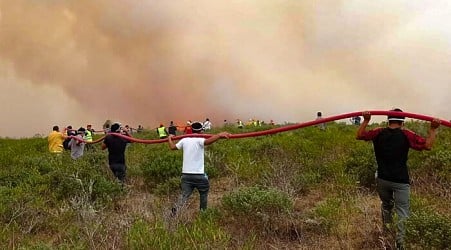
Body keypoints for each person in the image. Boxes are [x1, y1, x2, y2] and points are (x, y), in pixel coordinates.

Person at [356, 108, 440, 249]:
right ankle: (400, 245)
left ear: (388, 119)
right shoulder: (407, 134)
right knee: (402, 211)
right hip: (400, 181)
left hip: (382, 179)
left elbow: (359, 135)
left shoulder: (378, 132)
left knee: (387, 206)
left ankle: (387, 237)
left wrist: (366, 120)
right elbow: (428, 146)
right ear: (402, 122)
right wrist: (433, 129)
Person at [168, 121, 230, 215]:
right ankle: (203, 214)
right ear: (201, 131)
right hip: (199, 176)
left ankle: (174, 212)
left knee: (184, 195)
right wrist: (219, 135)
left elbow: (172, 147)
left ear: (191, 130)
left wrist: (169, 138)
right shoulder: (200, 139)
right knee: (203, 195)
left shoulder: (185, 140)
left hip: (186, 176)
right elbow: (208, 142)